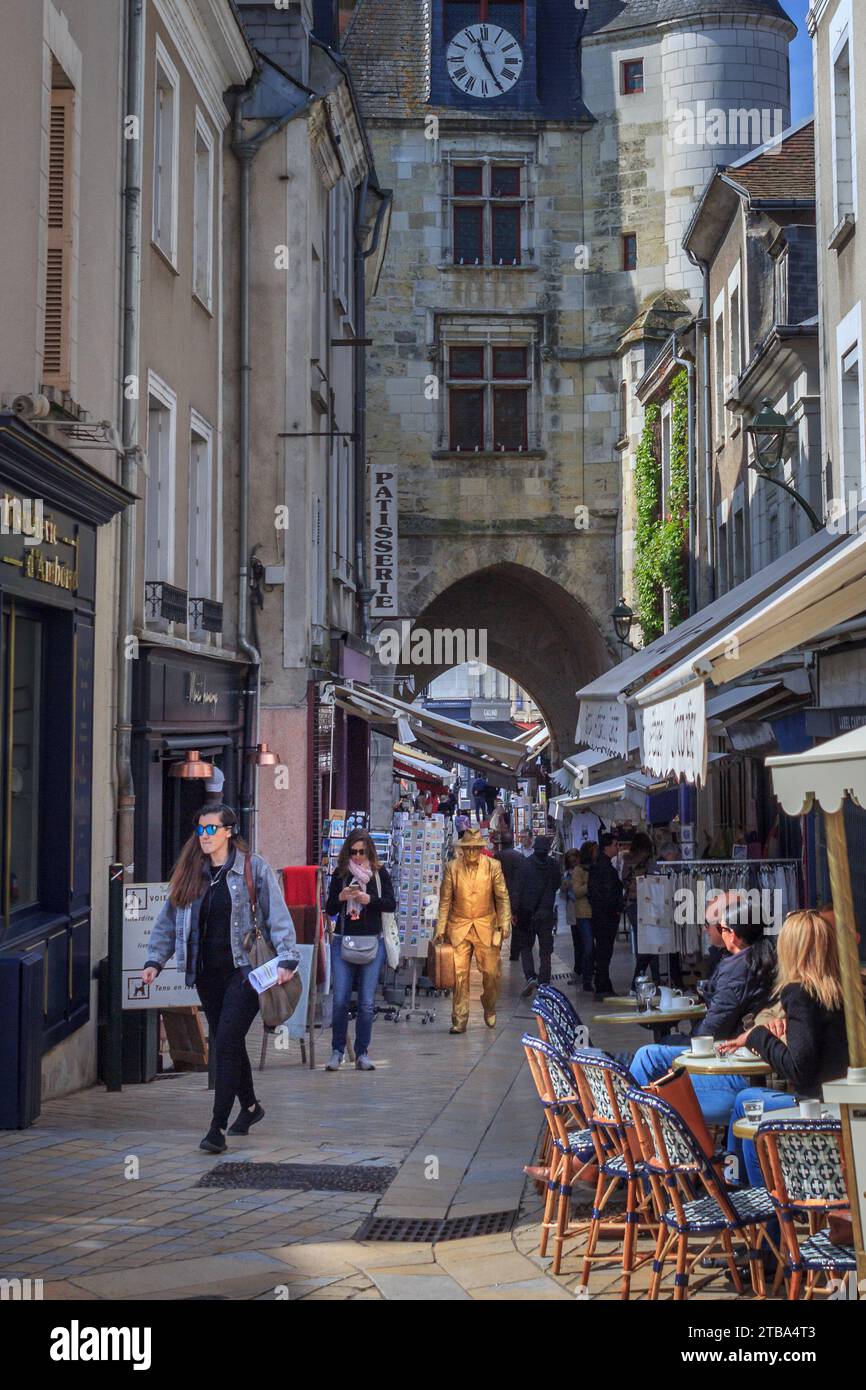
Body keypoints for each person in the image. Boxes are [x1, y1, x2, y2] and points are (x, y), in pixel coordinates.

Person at [142, 805, 299, 1154]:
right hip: (205, 974)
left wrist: (288, 957)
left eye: (212, 829)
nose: (205, 836)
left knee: (224, 1041)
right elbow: (168, 922)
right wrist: (155, 959)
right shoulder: (191, 873)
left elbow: (277, 912)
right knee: (230, 1042)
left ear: (229, 831)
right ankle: (252, 1108)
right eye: (200, 830)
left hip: (245, 973)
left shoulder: (251, 867)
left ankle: (217, 1128)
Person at [723, 910, 849, 1187]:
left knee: (745, 1103)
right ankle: (742, 1189)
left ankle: (761, 1209)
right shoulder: (851, 988)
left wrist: (757, 1036)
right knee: (748, 1099)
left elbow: (799, 1069)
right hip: (847, 1109)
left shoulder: (800, 992)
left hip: (820, 1113)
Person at [629, 892, 778, 1125]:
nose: (715, 931)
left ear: (734, 935)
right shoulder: (753, 960)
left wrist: (693, 1042)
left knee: (647, 1057)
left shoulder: (740, 969)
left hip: (732, 1070)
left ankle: (631, 1130)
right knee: (653, 1055)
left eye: (721, 927)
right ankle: (636, 1127)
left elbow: (715, 1026)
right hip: (736, 1060)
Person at [324, 829, 396, 1073]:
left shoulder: (379, 873)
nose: (357, 856)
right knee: (341, 999)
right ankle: (337, 1051)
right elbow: (329, 908)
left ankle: (362, 1053)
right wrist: (342, 897)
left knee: (366, 1002)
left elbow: (391, 904)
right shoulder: (341, 874)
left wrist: (369, 900)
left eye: (361, 852)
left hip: (372, 941)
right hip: (344, 939)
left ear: (369, 851)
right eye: (353, 852)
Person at [434, 828, 511, 1032]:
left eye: (475, 849)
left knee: (491, 973)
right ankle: (459, 1019)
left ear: (480, 849)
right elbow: (445, 901)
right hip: (459, 926)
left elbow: (502, 897)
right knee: (460, 975)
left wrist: (504, 922)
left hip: (486, 925)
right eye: (467, 849)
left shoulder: (493, 866)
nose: (471, 853)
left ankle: (489, 1004)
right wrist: (440, 928)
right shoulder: (452, 868)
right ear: (462, 849)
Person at [517, 835, 561, 998]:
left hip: (527, 913)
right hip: (546, 912)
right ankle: (544, 982)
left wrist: (515, 911)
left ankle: (530, 976)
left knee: (526, 947)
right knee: (545, 950)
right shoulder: (554, 866)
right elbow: (557, 884)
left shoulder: (525, 865)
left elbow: (518, 889)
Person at [588, 832, 624, 1000]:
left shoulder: (600, 865)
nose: (618, 848)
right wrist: (615, 908)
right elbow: (607, 893)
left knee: (603, 951)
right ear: (607, 847)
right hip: (605, 917)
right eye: (616, 845)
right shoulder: (604, 867)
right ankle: (602, 985)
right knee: (604, 951)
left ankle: (603, 983)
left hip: (601, 915)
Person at [620, 832, 658, 989]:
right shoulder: (648, 862)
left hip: (633, 904)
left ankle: (643, 978)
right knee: (650, 943)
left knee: (646, 942)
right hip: (644, 904)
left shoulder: (627, 861)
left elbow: (624, 882)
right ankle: (645, 978)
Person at [564, 843, 595, 992]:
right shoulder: (575, 872)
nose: (573, 860)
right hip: (577, 910)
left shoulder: (591, 868)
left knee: (587, 944)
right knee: (581, 943)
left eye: (575, 857)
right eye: (570, 858)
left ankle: (587, 972)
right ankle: (582, 973)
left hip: (590, 911)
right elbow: (573, 892)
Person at [496, 832, 526, 962]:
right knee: (517, 927)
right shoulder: (520, 856)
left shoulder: (496, 857)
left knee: (498, 927)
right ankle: (514, 954)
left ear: (501, 844)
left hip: (500, 896)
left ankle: (496, 952)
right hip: (516, 895)